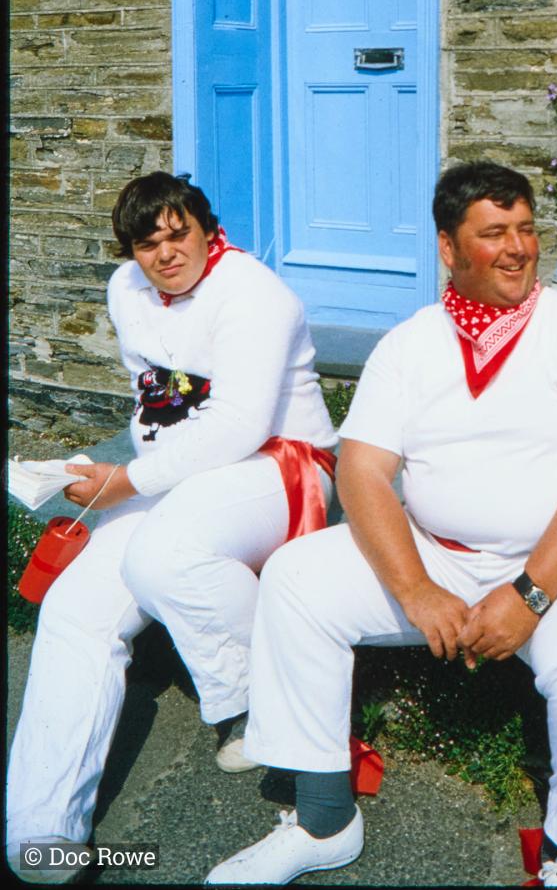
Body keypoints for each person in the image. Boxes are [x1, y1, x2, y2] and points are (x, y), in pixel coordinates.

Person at [206, 160, 557, 888]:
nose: (517, 248)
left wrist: (529, 595)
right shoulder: (411, 342)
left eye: (525, 229)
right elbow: (361, 470)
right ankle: (323, 820)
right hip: (436, 556)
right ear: (448, 248)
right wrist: (414, 588)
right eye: (493, 234)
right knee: (295, 580)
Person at [6, 172, 337, 886]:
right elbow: (155, 404)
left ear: (207, 228)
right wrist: (110, 467)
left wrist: (124, 482)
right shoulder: (126, 290)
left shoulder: (255, 295)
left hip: (278, 466)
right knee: (74, 606)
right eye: (145, 242)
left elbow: (239, 424)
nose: (164, 253)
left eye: (177, 232)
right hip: (178, 475)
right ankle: (41, 834)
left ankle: (261, 703)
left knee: (166, 552)